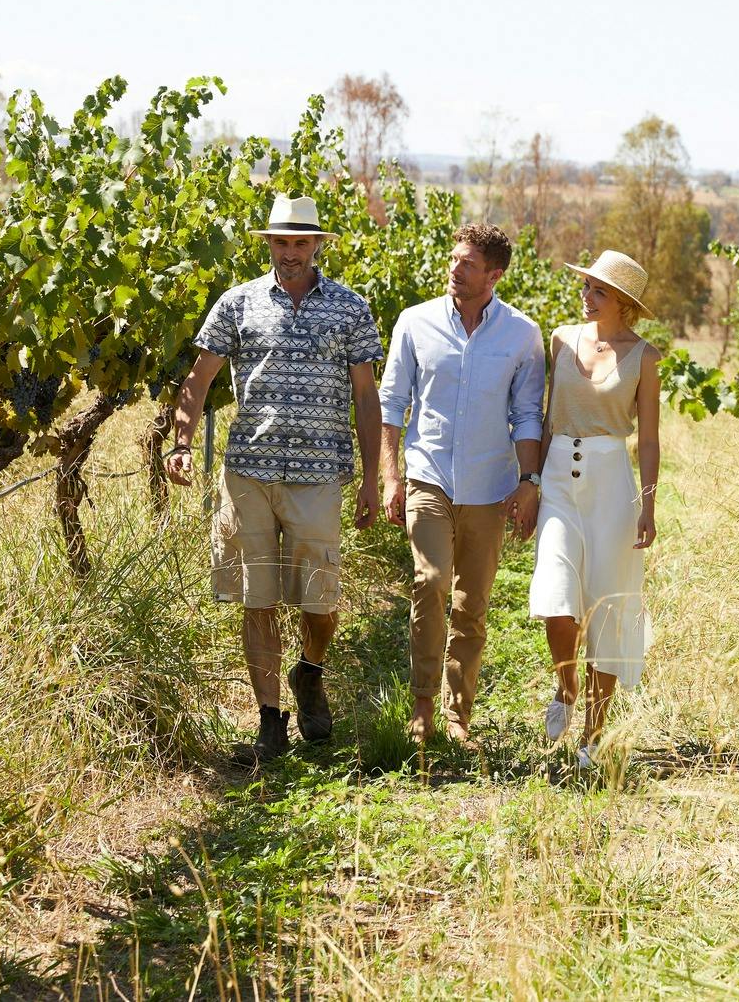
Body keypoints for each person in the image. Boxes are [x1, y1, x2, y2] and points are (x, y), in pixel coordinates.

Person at [165, 194, 383, 762]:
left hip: (319, 473)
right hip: (249, 474)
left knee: (319, 600)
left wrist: (372, 478)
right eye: (281, 242)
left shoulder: (349, 308)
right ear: (269, 244)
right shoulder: (236, 305)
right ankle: (269, 721)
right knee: (255, 598)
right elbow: (200, 376)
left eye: (300, 242)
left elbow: (366, 395)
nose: (290, 252)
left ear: (316, 246)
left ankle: (309, 671)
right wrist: (183, 441)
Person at [378, 223, 548, 745]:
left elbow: (526, 416)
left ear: (494, 274)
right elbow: (390, 404)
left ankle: (459, 712)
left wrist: (528, 481)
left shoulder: (522, 335)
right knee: (429, 584)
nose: (455, 269)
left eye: (468, 263)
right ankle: (423, 704)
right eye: (453, 259)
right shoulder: (415, 322)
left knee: (471, 603)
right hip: (428, 477)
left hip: (490, 487)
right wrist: (391, 477)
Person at [529, 249, 660, 770]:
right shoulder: (561, 338)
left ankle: (593, 733)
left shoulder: (644, 357)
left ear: (623, 303)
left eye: (597, 290)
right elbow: (543, 418)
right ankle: (566, 686)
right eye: (585, 286)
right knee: (557, 597)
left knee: (605, 600)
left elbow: (648, 439)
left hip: (611, 481)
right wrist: (532, 482)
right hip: (560, 472)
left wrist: (647, 504)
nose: (585, 295)